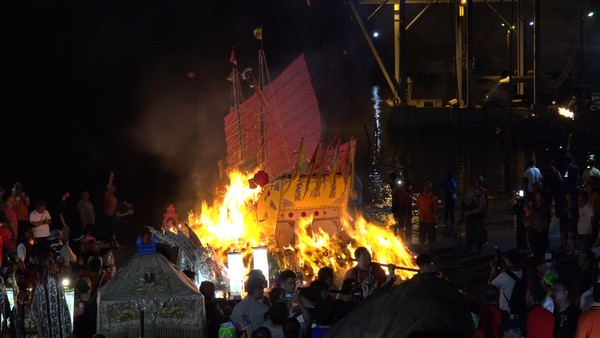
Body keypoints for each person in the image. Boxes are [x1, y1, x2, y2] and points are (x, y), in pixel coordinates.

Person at [489, 249, 525, 317]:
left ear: (508, 261)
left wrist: (493, 271)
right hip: (521, 312)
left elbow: (490, 287)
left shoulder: (503, 276)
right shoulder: (524, 273)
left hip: (506, 313)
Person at [464, 175, 486, 253]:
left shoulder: (483, 192)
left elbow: (481, 207)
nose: (476, 183)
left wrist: (470, 212)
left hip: (478, 215)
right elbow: (468, 201)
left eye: (477, 181)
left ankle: (478, 247)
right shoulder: (470, 190)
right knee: (469, 232)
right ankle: (469, 246)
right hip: (471, 215)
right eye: (475, 181)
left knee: (478, 232)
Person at [416, 181, 437, 251]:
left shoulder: (433, 198)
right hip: (422, 219)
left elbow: (435, 209)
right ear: (423, 187)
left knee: (431, 235)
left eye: (428, 187)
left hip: (430, 220)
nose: (427, 188)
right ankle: (422, 247)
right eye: (426, 187)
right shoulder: (419, 196)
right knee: (422, 234)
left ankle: (431, 247)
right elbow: (418, 205)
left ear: (430, 188)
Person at [391, 173, 412, 242]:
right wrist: (397, 187)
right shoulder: (396, 190)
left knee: (407, 227)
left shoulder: (408, 189)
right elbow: (393, 194)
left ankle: (408, 241)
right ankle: (399, 240)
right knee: (398, 227)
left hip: (406, 211)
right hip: (398, 211)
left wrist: (403, 190)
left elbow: (409, 197)